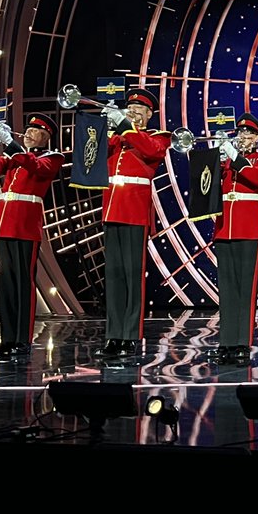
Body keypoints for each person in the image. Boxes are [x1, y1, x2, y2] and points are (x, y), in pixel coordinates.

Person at [95, 88, 171, 359]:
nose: (133, 112)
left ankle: (130, 336)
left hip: (135, 212)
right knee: (114, 277)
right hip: (111, 209)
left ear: (150, 114)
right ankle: (113, 335)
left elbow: (151, 151)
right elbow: (93, 156)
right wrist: (103, 128)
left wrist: (125, 126)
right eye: (130, 108)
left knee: (131, 275)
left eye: (139, 110)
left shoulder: (159, 136)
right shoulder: (117, 138)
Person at [0, 113, 65, 361]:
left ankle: (22, 341)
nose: (27, 133)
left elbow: (35, 167)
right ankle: (8, 339)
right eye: (27, 129)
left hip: (25, 226)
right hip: (5, 225)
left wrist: (11, 143)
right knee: (7, 285)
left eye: (34, 130)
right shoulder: (16, 158)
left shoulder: (52, 157)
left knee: (22, 285)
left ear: (46, 136)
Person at [211, 112, 258, 366]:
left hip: (249, 228)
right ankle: (226, 342)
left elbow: (257, 177)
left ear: (257, 138)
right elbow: (206, 182)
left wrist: (233, 157)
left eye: (249, 134)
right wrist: (215, 158)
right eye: (241, 133)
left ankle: (242, 343)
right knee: (227, 289)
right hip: (224, 227)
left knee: (245, 289)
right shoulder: (227, 161)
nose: (244, 137)